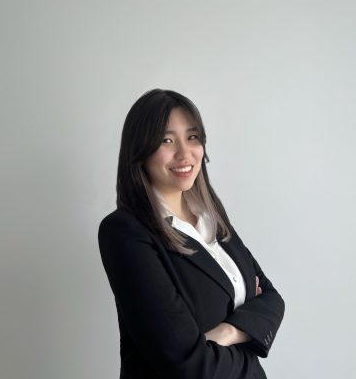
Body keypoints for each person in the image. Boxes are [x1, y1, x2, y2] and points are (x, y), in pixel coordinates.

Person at [98, 89, 285, 379]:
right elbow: (189, 366)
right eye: (166, 140)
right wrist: (249, 338)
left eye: (193, 137)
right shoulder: (125, 232)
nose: (185, 154)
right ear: (140, 149)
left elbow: (272, 299)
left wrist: (227, 332)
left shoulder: (213, 218)